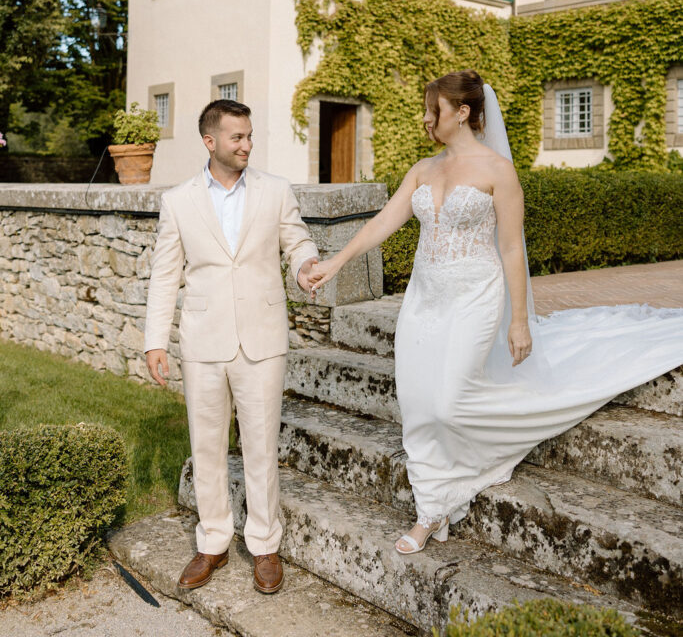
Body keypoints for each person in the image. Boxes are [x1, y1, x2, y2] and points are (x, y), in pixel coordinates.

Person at [308, 70, 683, 555]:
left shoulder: (497, 172)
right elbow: (383, 222)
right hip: (423, 300)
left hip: (474, 298)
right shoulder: (422, 170)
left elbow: (510, 249)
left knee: (448, 401)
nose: (425, 119)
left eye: (433, 111)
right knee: (418, 402)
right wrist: (333, 263)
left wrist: (519, 320)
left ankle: (495, 446)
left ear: (462, 113)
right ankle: (431, 509)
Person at [144, 99, 318, 592]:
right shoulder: (178, 201)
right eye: (236, 137)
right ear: (210, 141)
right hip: (202, 340)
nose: (246, 145)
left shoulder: (276, 190)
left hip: (261, 339)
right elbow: (164, 275)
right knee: (206, 446)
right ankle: (213, 542)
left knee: (261, 446)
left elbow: (297, 240)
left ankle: (264, 546)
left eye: (249, 136)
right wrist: (156, 340)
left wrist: (306, 264)